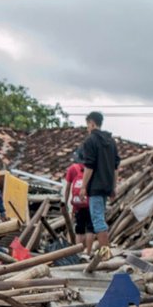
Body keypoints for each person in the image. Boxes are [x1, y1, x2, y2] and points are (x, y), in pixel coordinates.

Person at [79, 111, 121, 261]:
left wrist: (83, 186)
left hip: (95, 187)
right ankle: (105, 253)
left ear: (91, 123)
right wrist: (113, 186)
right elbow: (116, 166)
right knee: (100, 218)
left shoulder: (90, 141)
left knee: (97, 220)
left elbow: (89, 166)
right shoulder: (111, 141)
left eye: (87, 125)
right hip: (106, 186)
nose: (87, 128)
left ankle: (106, 254)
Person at [62, 149, 94, 257]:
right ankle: (88, 252)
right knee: (90, 229)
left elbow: (67, 188)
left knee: (79, 229)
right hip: (90, 203)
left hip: (77, 204)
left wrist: (65, 203)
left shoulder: (72, 168)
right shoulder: (91, 169)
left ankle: (78, 253)